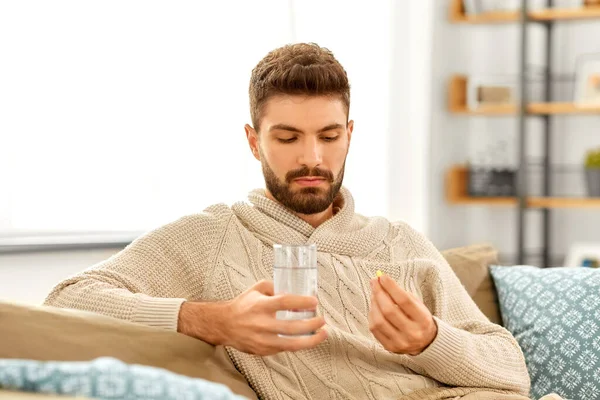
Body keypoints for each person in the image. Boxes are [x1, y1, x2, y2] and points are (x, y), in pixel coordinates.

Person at [45, 43, 536, 400]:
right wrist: (215, 321)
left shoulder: (398, 242)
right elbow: (66, 299)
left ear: (349, 135)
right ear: (253, 141)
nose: (311, 158)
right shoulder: (216, 235)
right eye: (286, 138)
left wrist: (432, 340)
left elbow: (512, 370)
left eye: (327, 135)